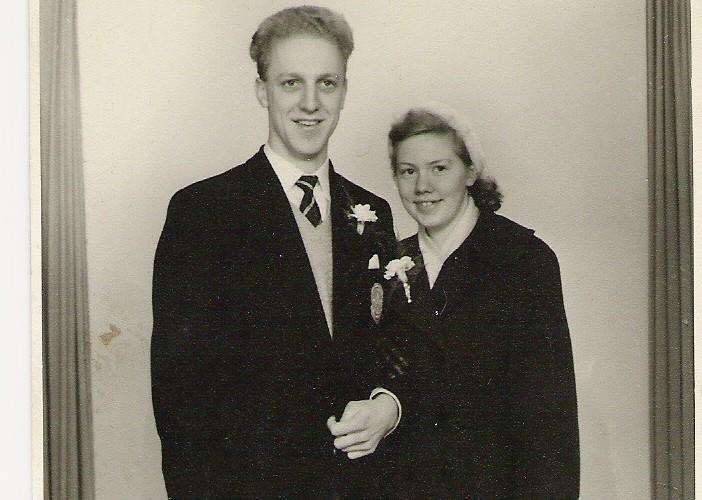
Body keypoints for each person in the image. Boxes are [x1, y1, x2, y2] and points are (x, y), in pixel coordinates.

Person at [150, 6, 400, 498]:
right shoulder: (203, 213)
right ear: (262, 90)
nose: (310, 103)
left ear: (344, 91)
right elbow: (181, 403)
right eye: (291, 83)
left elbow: (394, 347)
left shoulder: (373, 212)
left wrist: (389, 406)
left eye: (327, 83)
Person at [381, 103, 580, 498]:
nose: (423, 186)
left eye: (440, 168)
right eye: (408, 171)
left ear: (470, 172)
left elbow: (548, 425)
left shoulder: (524, 260)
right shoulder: (388, 263)